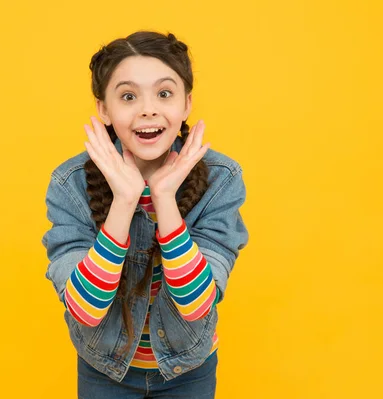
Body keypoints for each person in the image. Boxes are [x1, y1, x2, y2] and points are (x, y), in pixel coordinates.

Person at [42, 30, 249, 399]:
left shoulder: (222, 179)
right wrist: (124, 200)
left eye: (164, 94)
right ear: (104, 109)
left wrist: (164, 198)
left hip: (190, 367)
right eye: (128, 96)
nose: (148, 109)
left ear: (187, 104)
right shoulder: (69, 184)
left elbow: (197, 305)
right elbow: (85, 310)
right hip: (103, 368)